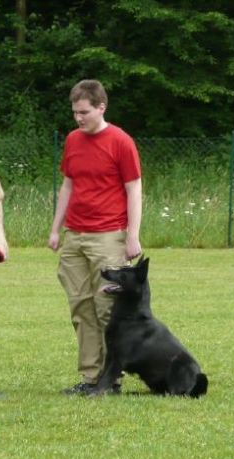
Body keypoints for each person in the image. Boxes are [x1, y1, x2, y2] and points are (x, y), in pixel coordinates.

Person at [48, 79, 143, 395]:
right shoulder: (73, 140)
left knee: (106, 309)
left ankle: (111, 379)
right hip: (75, 236)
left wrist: (132, 236)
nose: (78, 118)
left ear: (101, 107)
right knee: (81, 308)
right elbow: (68, 186)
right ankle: (91, 378)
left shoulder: (121, 141)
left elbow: (134, 189)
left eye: (84, 112)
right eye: (75, 112)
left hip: (108, 237)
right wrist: (55, 229)